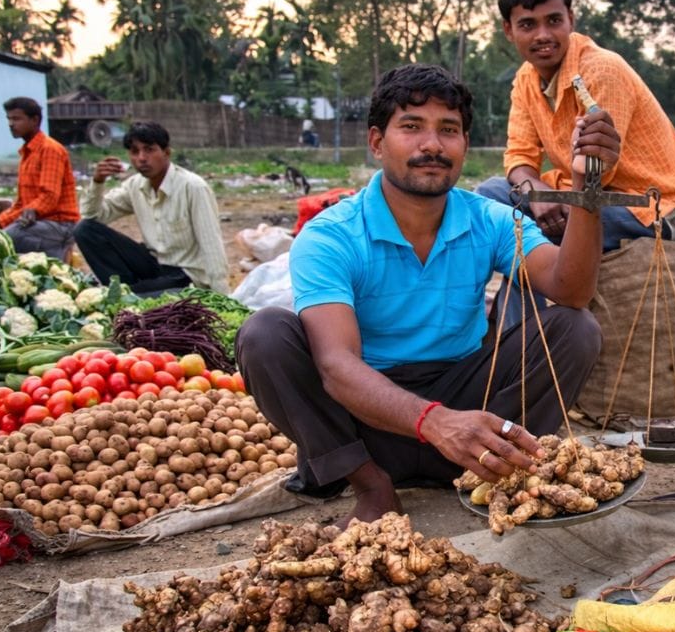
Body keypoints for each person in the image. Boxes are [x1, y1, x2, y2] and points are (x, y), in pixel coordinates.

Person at [235, 63, 615, 525]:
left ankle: (493, 463)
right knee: (265, 334)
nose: (432, 145)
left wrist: (588, 186)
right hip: (365, 424)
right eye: (412, 127)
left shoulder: (490, 219)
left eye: (448, 130)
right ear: (377, 142)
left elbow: (571, 290)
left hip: (467, 404)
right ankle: (372, 486)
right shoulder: (332, 235)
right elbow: (337, 368)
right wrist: (434, 422)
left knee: (575, 327)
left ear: (465, 145)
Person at [476, 0, 675, 325]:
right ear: (509, 30)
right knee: (489, 196)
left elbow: (600, 173)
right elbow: (519, 155)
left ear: (571, 20)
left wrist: (547, 199)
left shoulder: (601, 70)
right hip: (578, 196)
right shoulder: (525, 79)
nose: (543, 36)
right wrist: (535, 189)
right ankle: (514, 339)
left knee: (525, 230)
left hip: (646, 205)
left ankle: (518, 332)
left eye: (554, 21)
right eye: (528, 25)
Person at [76, 122, 229, 296]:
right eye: (135, 151)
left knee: (133, 299)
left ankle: (133, 295)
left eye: (149, 150)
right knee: (84, 230)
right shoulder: (135, 185)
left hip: (186, 276)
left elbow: (212, 246)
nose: (141, 158)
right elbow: (92, 215)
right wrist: (98, 181)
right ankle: (126, 291)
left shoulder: (193, 187)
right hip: (154, 265)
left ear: (166, 152)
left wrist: (222, 298)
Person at [0, 97, 80, 260]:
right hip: (38, 222)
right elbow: (22, 203)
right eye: (9, 119)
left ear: (35, 120)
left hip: (60, 224)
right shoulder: (27, 153)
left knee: (4, 240)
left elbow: (49, 197)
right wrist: (0, 222)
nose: (11, 124)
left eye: (16, 119)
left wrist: (25, 216)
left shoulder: (50, 150)